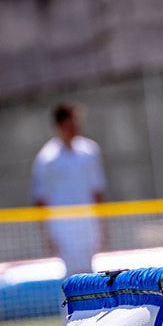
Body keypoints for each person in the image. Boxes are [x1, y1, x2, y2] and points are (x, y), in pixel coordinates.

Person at [31, 103, 107, 276]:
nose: (75, 127)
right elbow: (40, 197)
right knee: (71, 272)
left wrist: (102, 223)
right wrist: (46, 233)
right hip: (62, 224)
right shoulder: (47, 158)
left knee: (90, 269)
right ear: (59, 125)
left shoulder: (89, 151)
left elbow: (97, 189)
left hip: (88, 219)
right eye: (70, 123)